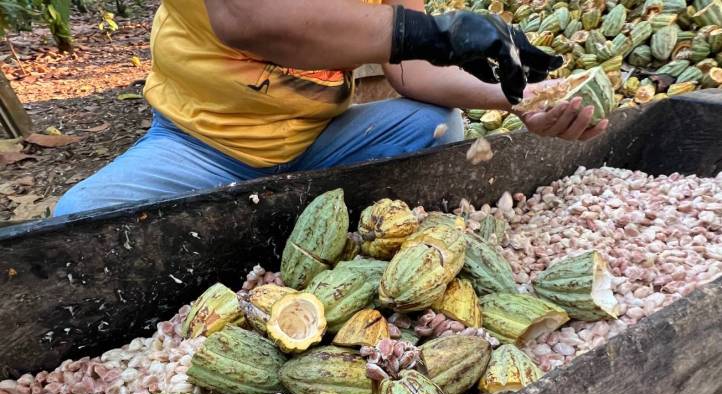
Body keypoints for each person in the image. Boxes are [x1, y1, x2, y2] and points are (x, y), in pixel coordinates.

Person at [54, 0, 608, 216]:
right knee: (78, 222)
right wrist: (430, 32)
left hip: (317, 138)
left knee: (436, 126)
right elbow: (247, 18)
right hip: (200, 144)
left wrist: (516, 98)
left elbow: (409, 70)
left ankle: (325, 221)